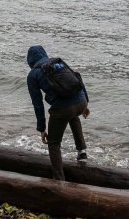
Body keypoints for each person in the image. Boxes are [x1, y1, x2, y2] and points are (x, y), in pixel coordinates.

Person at [26, 45, 90, 181]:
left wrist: (42, 129)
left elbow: (37, 104)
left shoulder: (33, 75)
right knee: (73, 116)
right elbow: (78, 78)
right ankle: (82, 152)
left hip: (62, 109)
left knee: (53, 143)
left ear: (30, 61)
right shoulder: (58, 62)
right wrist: (86, 104)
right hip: (81, 101)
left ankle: (59, 180)